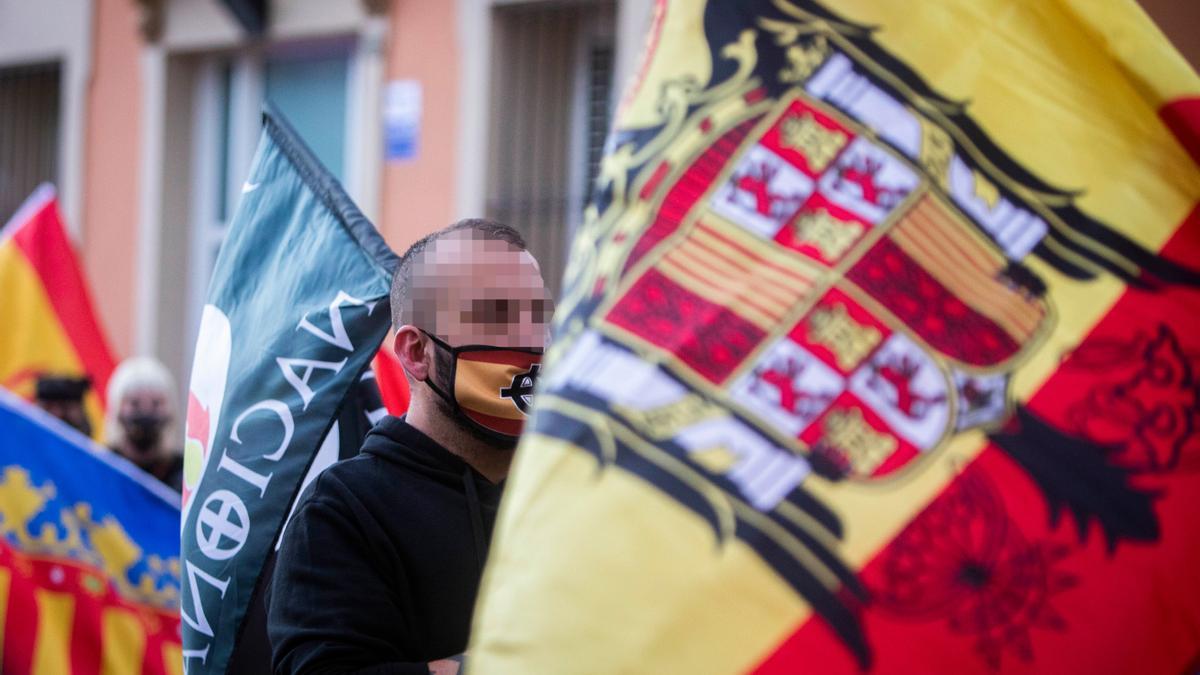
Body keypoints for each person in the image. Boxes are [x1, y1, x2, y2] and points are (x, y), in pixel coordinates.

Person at [268, 219, 552, 674]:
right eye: (496, 314)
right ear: (416, 352)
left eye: (539, 314)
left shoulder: (568, 493)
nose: (531, 338)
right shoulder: (341, 512)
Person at [105, 356, 184, 492]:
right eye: (135, 404)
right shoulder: (102, 466)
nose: (146, 411)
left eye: (156, 403)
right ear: (117, 410)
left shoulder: (186, 475)